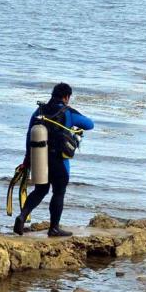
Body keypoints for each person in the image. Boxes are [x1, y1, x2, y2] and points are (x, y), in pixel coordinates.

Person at [14, 82, 94, 237]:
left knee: (40, 190)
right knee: (58, 192)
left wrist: (27, 160)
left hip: (38, 157)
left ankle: (22, 216)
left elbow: (29, 135)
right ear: (66, 97)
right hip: (58, 160)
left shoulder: (39, 110)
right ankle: (54, 228)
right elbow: (89, 124)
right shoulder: (67, 112)